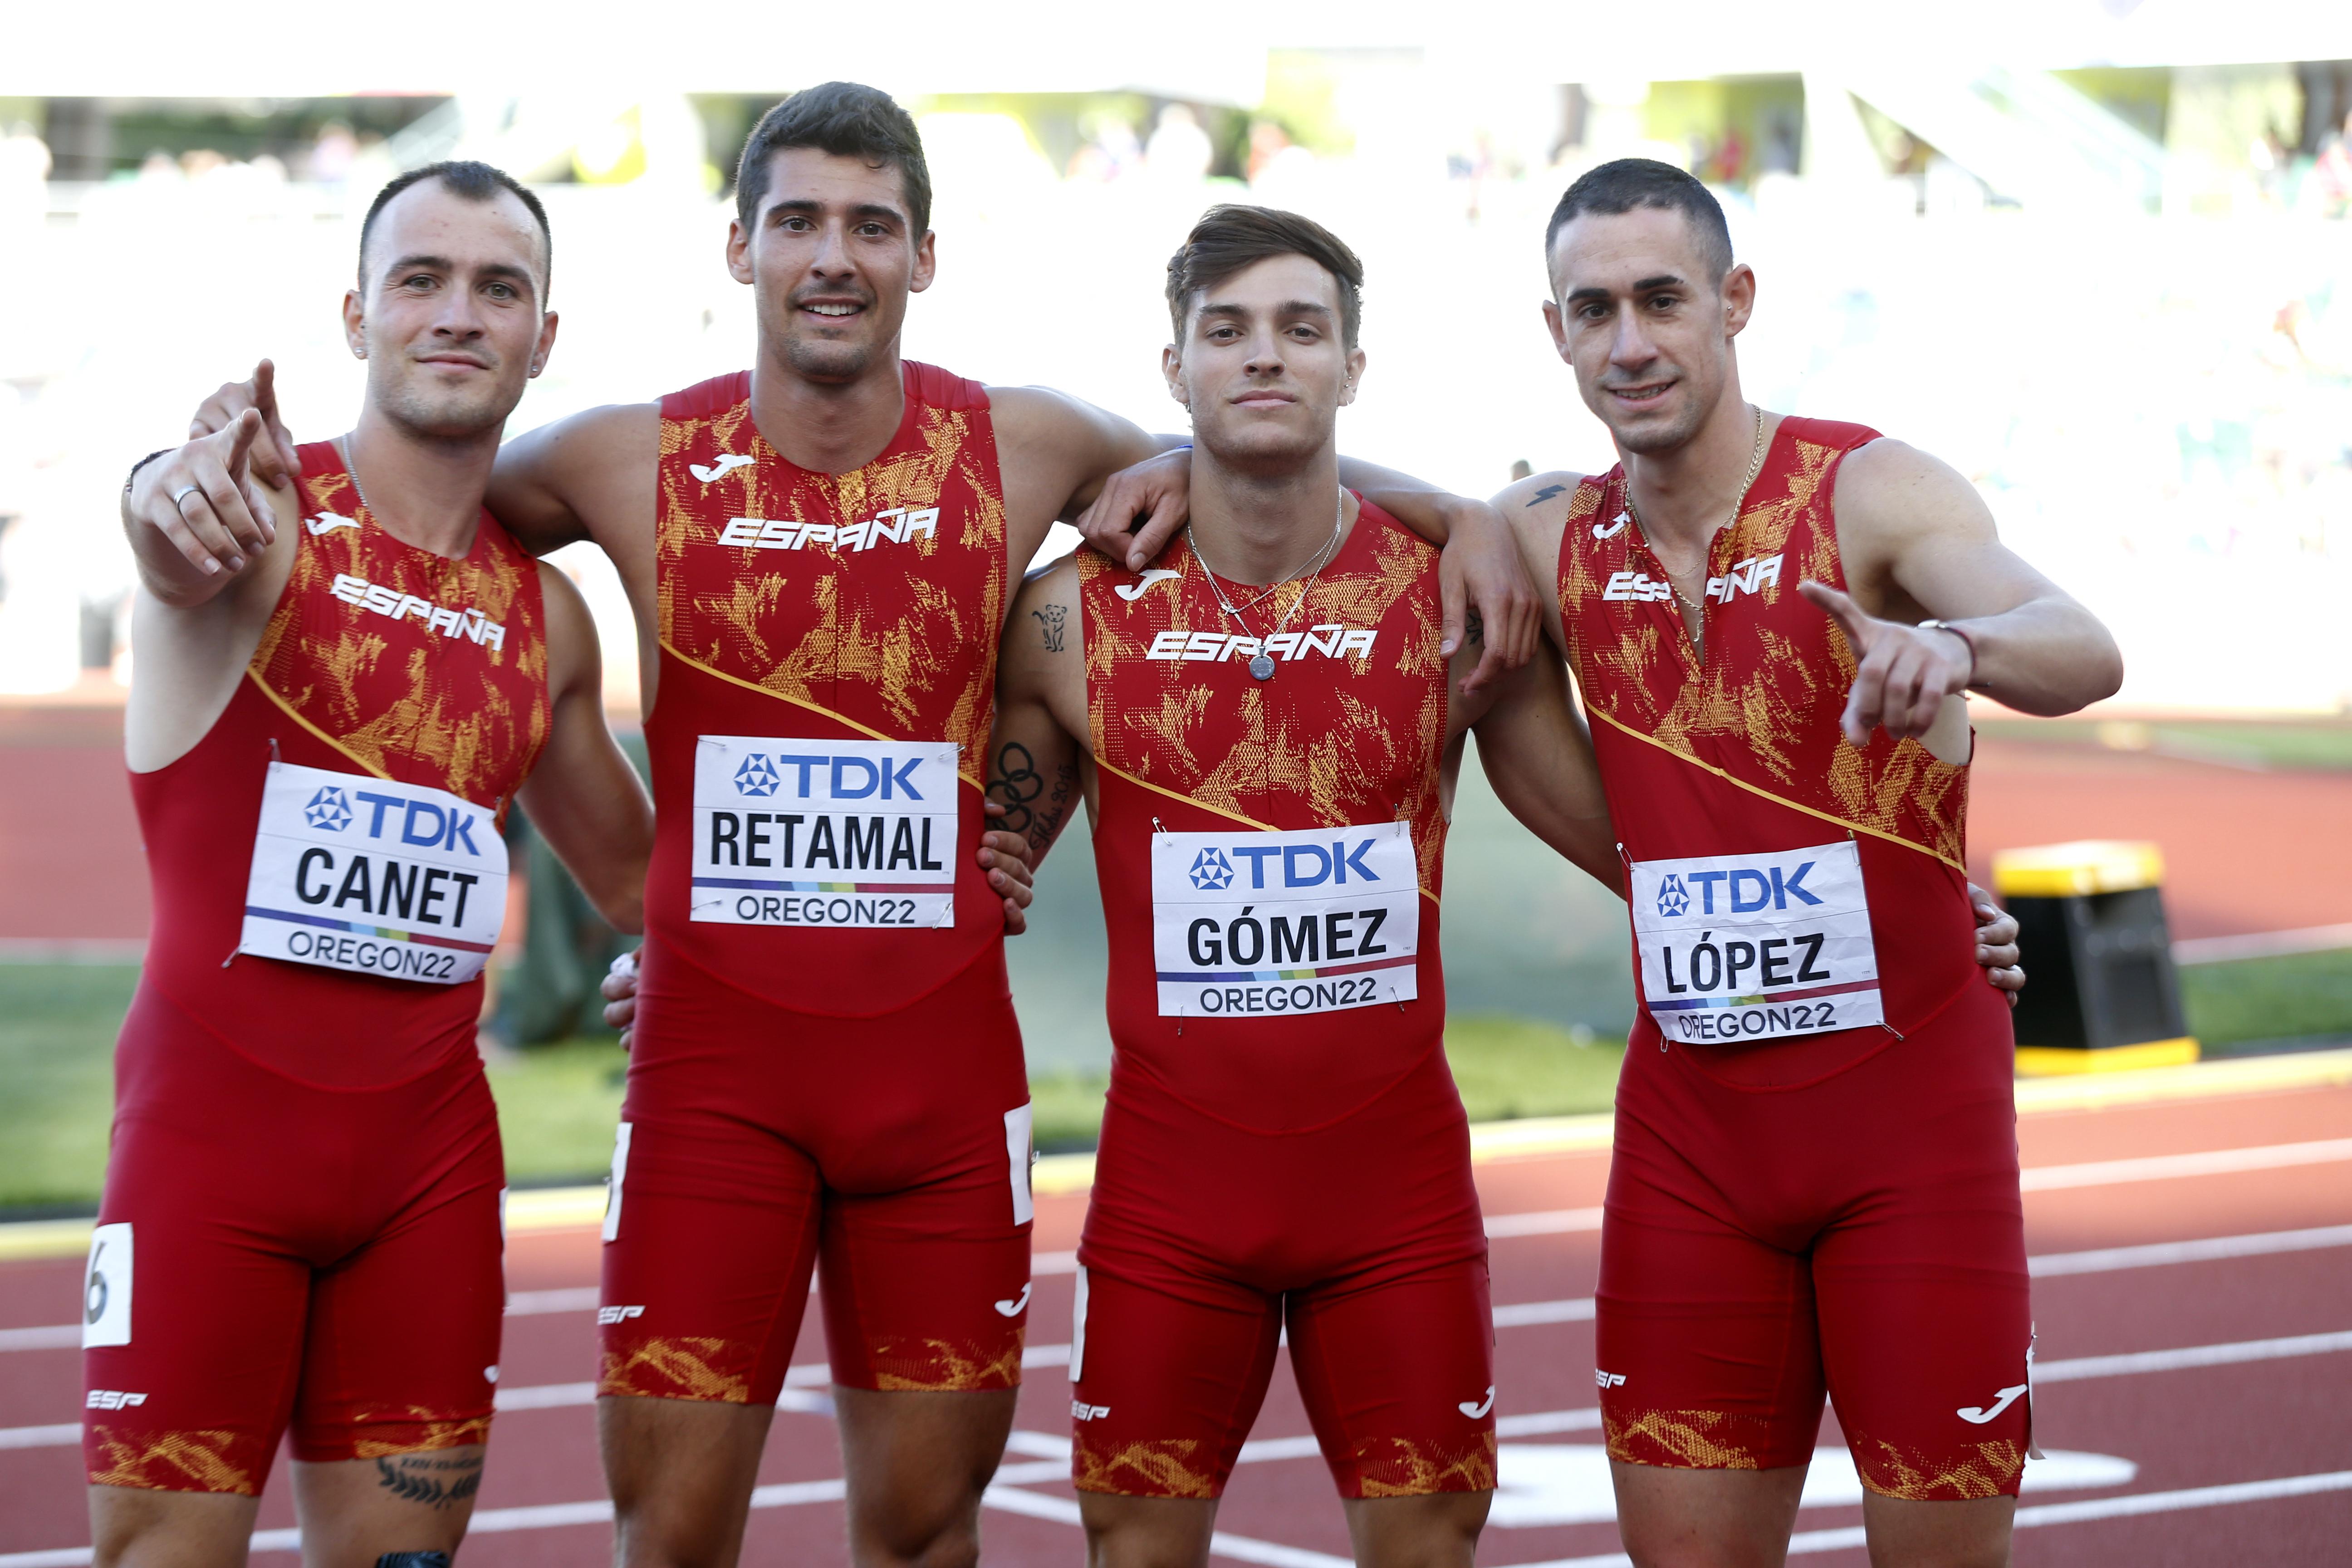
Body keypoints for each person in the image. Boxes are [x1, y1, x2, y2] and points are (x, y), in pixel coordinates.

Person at [196, 83, 1537, 1568]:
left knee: (920, 1534)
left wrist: (1457, 512)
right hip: (716, 1090)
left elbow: (1256, 442)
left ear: (924, 258)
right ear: (740, 250)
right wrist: (190, 474)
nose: (834, 256)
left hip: (941, 1099)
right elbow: (418, 467)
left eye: (872, 226)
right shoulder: (616, 463)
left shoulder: (1029, 444)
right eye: (800, 224)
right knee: (675, 1536)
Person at [1000, 205, 2029, 1568]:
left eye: (1303, 331)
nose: (1266, 361)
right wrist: (684, 930)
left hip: (1439, 1188)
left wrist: (1899, 883)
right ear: (1173, 363)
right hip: (1186, 1190)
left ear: (1352, 364)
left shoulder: (1458, 588)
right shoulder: (1085, 614)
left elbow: (1657, 835)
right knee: (1131, 1547)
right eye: (1229, 334)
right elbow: (968, 857)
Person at [1489, 160, 2117, 1568]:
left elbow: (2081, 644)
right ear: (1557, 333)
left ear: (1736, 303)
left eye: (1663, 299)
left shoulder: (1870, 489)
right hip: (1691, 1148)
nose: (1631, 341)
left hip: (1912, 1136)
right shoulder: (1539, 536)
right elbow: (1362, 528)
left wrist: (1952, 647)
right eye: (1595, 311)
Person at [100, 162, 652, 1568]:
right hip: (207, 1149)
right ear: (357, 315)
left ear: (545, 338)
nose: (457, 315)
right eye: (421, 280)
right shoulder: (260, 516)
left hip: (430, 1178)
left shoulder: (550, 623)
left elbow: (649, 886)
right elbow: (174, 533)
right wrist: (164, 492)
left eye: (497, 288)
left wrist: (683, 957)